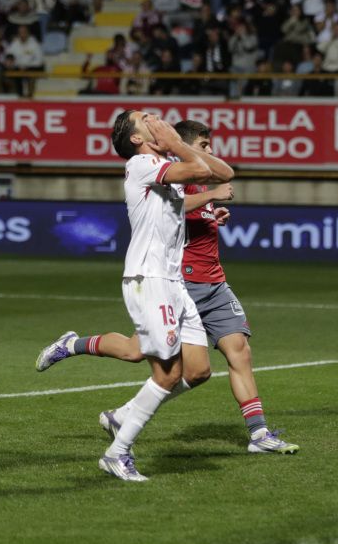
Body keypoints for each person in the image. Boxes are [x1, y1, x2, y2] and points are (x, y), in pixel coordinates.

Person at [36, 121, 298, 454]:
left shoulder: (181, 173)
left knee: (232, 355)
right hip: (178, 281)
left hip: (214, 282)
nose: (208, 152)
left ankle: (259, 434)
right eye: (203, 146)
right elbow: (174, 204)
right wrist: (210, 194)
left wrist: (210, 213)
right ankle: (75, 346)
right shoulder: (166, 171)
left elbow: (200, 195)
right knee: (138, 352)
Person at [55, 110, 233, 481]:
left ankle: (122, 415)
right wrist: (176, 144)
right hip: (148, 277)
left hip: (173, 282)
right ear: (137, 138)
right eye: (144, 118)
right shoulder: (141, 163)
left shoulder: (166, 158)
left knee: (198, 371)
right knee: (166, 374)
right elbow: (202, 172)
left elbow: (225, 173)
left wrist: (178, 148)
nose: (154, 118)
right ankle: (117, 453)